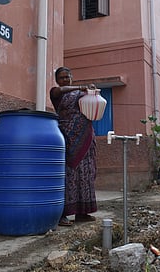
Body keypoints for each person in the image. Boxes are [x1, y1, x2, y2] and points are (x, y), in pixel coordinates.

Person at [50, 66, 97, 226]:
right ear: (57, 80)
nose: (65, 79)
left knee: (86, 174)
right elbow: (58, 91)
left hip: (85, 139)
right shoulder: (56, 92)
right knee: (67, 176)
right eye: (62, 78)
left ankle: (82, 213)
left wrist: (92, 93)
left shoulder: (81, 95)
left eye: (68, 77)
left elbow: (93, 107)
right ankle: (61, 214)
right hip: (67, 138)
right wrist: (80, 87)